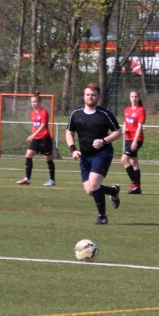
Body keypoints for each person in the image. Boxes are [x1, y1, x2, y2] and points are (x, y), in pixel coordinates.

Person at [65, 84, 123, 225]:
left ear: (98, 96)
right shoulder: (76, 113)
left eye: (93, 95)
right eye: (88, 94)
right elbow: (69, 132)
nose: (90, 97)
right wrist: (73, 149)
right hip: (85, 156)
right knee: (90, 190)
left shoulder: (105, 114)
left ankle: (102, 217)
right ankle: (113, 191)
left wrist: (104, 141)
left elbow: (118, 132)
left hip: (102, 153)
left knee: (94, 184)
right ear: (84, 96)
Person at [17, 93, 56, 186]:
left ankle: (52, 180)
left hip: (45, 139)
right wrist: (33, 135)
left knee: (48, 159)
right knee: (28, 155)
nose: (33, 103)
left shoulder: (44, 112)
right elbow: (34, 126)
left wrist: (32, 135)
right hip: (36, 140)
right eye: (32, 102)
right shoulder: (32, 113)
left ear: (39, 102)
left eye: (35, 101)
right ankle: (27, 179)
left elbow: (43, 126)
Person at [121, 90, 146, 194]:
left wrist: (135, 141)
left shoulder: (141, 110)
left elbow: (140, 127)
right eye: (132, 96)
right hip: (128, 138)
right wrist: (124, 128)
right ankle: (138, 188)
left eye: (136, 97)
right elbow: (125, 122)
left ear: (139, 98)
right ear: (129, 98)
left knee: (124, 160)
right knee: (134, 162)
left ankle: (134, 184)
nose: (134, 98)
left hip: (136, 139)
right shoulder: (127, 110)